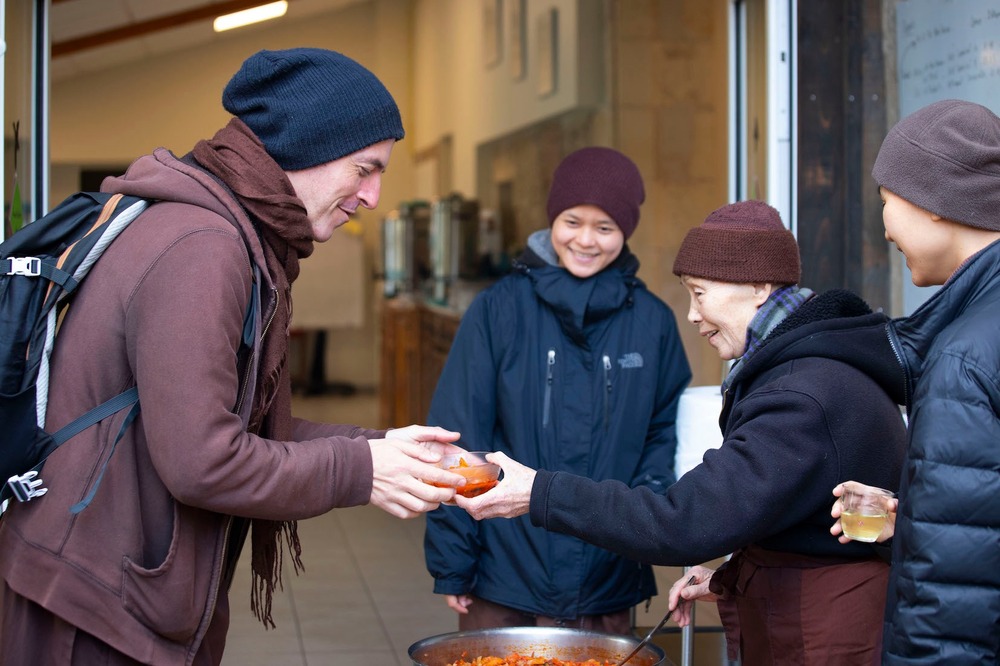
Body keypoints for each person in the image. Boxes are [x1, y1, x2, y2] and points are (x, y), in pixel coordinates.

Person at [0, 48, 467, 665]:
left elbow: (228, 421)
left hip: (93, 583)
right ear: (307, 144)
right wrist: (360, 470)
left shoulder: (216, 227)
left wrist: (383, 449)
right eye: (364, 169)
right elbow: (202, 461)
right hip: (89, 606)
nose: (374, 196)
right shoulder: (204, 244)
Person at [454, 200, 909, 665]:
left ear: (757, 286)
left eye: (700, 292)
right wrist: (729, 580)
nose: (692, 314)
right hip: (797, 614)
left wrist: (539, 492)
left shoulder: (800, 393)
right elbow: (792, 516)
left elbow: (685, 520)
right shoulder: (805, 366)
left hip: (822, 634)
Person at [423, 147, 692, 634]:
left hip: (609, 576)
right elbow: (459, 438)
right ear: (552, 220)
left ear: (625, 232)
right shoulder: (497, 311)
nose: (586, 240)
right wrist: (454, 558)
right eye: (572, 221)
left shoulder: (652, 322)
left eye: (605, 227)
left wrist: (648, 530)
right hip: (504, 578)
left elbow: (662, 434)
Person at [833, 99, 1000, 664]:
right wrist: (919, 520)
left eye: (885, 201)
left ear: (932, 203)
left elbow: (948, 609)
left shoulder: (962, 356)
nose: (883, 227)